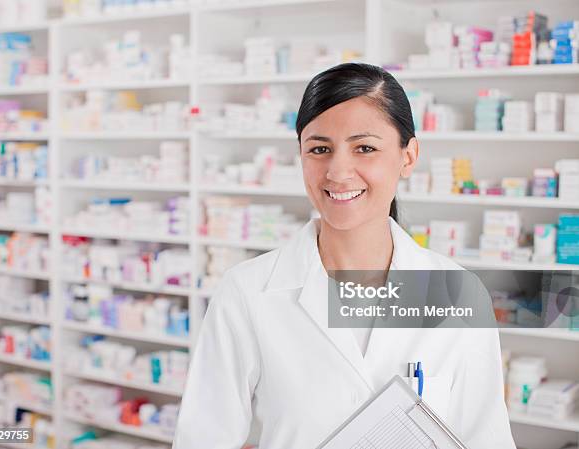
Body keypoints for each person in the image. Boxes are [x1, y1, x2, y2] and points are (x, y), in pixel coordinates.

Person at [174, 63, 516, 449]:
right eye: (320, 149)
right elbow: (202, 439)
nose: (338, 172)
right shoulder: (247, 292)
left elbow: (487, 440)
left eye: (364, 148)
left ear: (408, 155)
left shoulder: (460, 294)